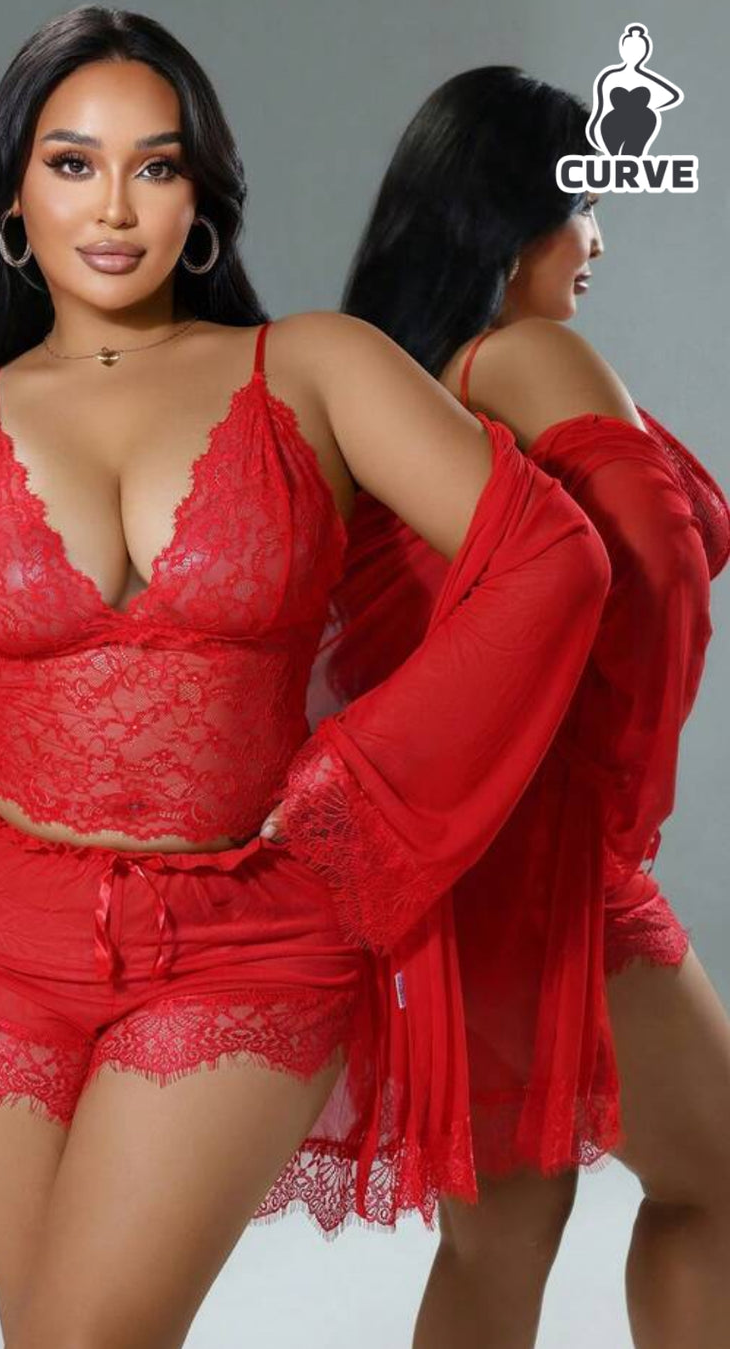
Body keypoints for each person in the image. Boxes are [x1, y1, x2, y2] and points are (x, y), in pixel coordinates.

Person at [0, 18, 610, 1348]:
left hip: (241, 935)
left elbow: (550, 558)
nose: (112, 207)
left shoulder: (315, 367)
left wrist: (362, 770)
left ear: (200, 197)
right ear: (12, 198)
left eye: (154, 167)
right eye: (71, 163)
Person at [333, 65, 730, 1349]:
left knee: (504, 1231)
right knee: (709, 1183)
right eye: (580, 208)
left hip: (465, 859)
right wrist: (629, 780)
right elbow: (658, 560)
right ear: (504, 215)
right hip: (544, 853)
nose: (597, 241)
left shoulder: (407, 384)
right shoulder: (525, 354)